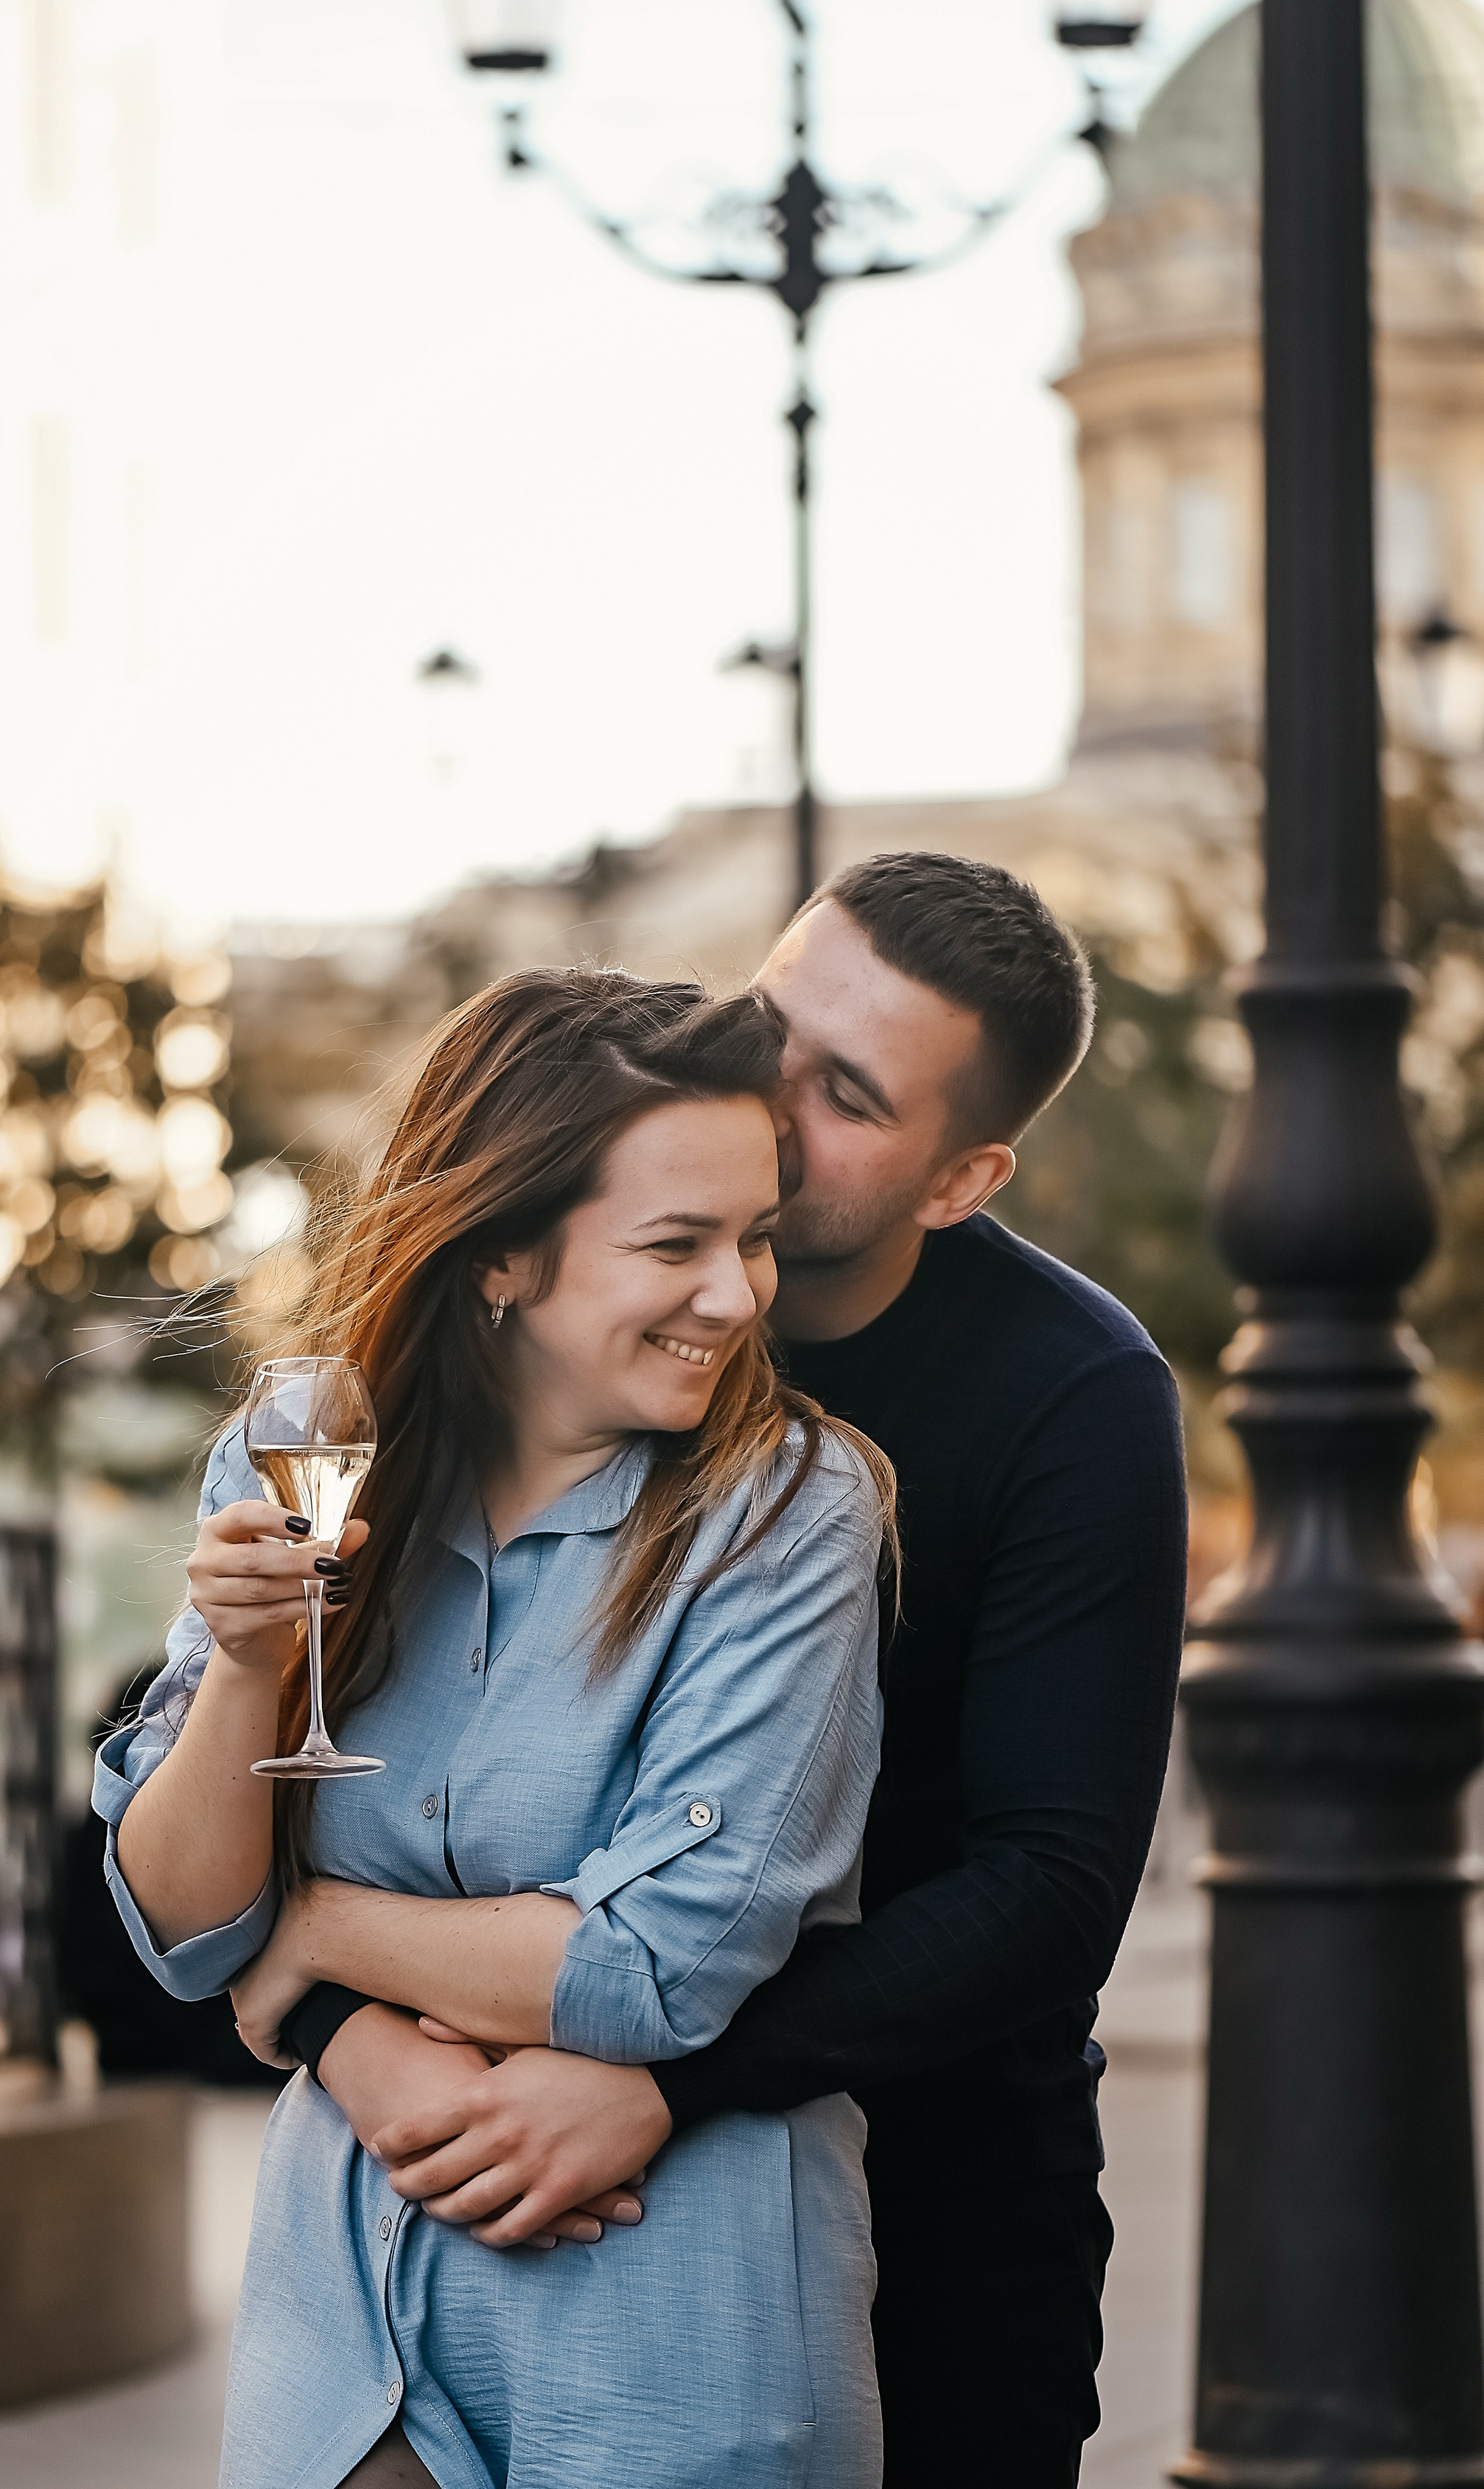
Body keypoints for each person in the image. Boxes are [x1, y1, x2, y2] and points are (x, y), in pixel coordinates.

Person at [300, 855, 1189, 2488]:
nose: (768, 1098)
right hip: (472, 2136)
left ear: (961, 1175)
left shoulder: (1073, 1393)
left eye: (845, 1093)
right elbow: (367, 1764)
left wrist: (670, 2075)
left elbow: (1051, 1883)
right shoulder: (581, 1314)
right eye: (773, 1022)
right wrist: (336, 2014)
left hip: (933, 2178)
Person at [93, 971, 896, 2489]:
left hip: (668, 2323)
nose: (736, 1292)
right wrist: (254, 1670)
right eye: (676, 1242)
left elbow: (651, 1965)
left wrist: (318, 1933)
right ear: (502, 1254)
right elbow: (190, 1930)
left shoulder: (788, 1511)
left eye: (754, 1236)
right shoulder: (295, 1454)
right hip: (346, 2318)